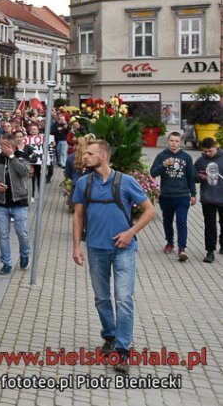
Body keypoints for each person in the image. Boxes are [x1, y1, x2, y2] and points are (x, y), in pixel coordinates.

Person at [72, 140, 156, 374]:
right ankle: (109, 335)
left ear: (104, 156)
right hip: (95, 249)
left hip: (124, 249)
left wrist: (131, 233)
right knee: (101, 298)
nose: (85, 156)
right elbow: (78, 216)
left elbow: (150, 210)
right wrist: (76, 247)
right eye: (85, 153)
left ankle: (122, 350)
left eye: (90, 153)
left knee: (123, 298)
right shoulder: (83, 183)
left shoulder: (125, 182)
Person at [0, 136, 32, 275]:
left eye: (5, 146)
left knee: (22, 232)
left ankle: (24, 253)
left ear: (13, 146)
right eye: (1, 145)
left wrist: (12, 157)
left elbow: (24, 172)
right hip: (1, 203)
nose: (2, 148)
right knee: (3, 235)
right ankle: (6, 262)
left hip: (20, 202)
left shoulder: (22, 157)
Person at [150, 132, 197, 261]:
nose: (174, 143)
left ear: (181, 142)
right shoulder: (161, 156)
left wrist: (193, 194)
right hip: (166, 195)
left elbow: (190, 177)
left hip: (182, 195)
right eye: (171, 140)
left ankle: (182, 248)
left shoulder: (186, 157)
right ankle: (170, 242)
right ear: (168, 141)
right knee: (167, 221)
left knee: (181, 221)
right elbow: (152, 173)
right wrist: (163, 165)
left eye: (176, 141)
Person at [195, 137, 223, 263]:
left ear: (216, 146)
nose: (207, 154)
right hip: (207, 199)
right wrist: (199, 177)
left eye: (210, 151)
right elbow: (193, 175)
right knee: (210, 226)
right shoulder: (200, 161)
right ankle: (210, 251)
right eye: (205, 151)